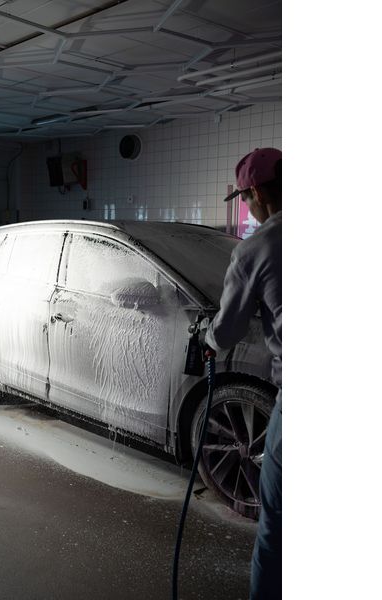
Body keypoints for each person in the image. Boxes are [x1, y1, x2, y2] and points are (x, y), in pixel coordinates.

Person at [205, 147, 282, 600]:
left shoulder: (258, 247)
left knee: (277, 527)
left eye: (246, 198)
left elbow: (227, 329)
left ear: (256, 194)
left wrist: (207, 340)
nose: (248, 208)